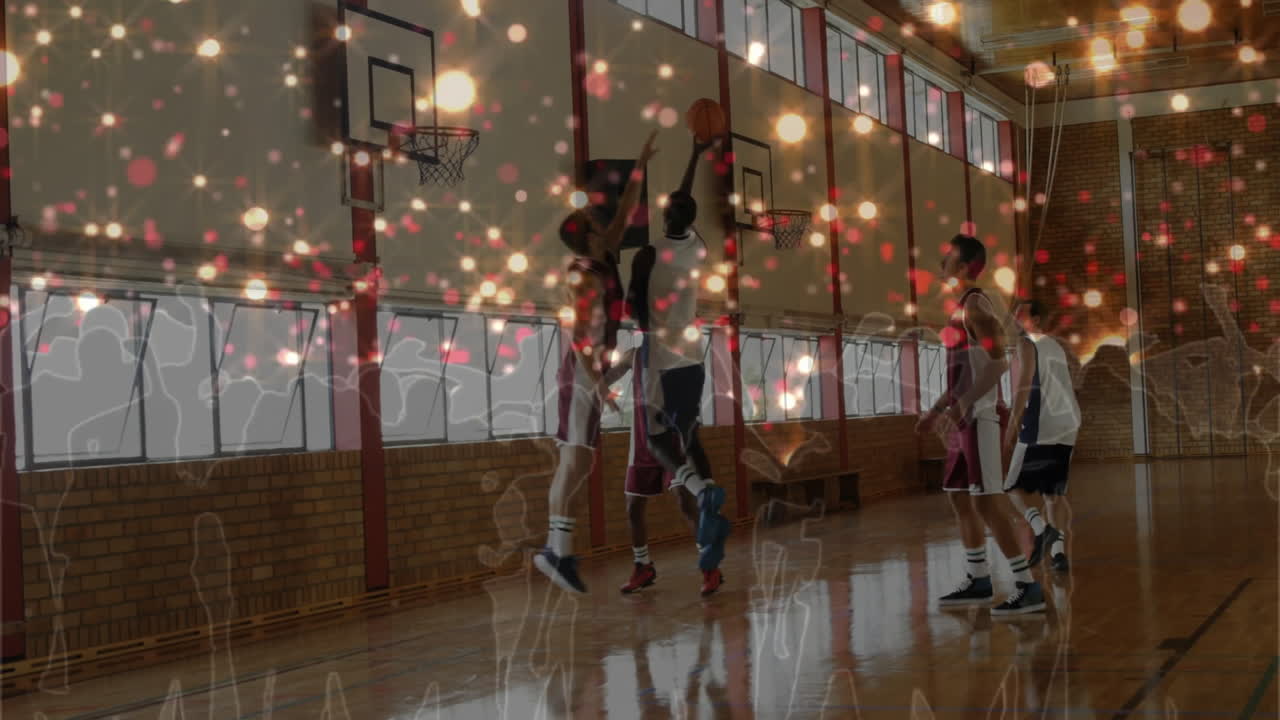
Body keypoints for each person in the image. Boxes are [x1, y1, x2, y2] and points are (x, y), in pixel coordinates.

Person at [534, 130, 659, 594]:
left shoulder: (604, 260)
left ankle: (557, 549)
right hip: (582, 371)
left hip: (594, 369)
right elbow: (578, 336)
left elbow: (626, 210)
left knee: (579, 462)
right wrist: (600, 383)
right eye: (596, 224)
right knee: (573, 461)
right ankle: (554, 552)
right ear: (586, 238)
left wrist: (640, 165)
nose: (609, 225)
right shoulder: (583, 276)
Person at [609, 136, 730, 597]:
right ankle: (650, 565)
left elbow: (634, 309)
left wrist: (636, 325)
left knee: (672, 473)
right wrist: (695, 155)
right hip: (689, 352)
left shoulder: (646, 255)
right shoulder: (695, 245)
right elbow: (683, 206)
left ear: (664, 215)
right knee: (640, 496)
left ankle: (706, 555)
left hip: (660, 353)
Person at [915, 234, 1045, 616]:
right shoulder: (959, 308)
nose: (942, 259)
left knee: (988, 504)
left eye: (948, 254)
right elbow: (960, 374)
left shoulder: (975, 306)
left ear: (963, 265)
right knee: (958, 496)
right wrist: (939, 408)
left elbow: (1000, 363)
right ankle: (979, 579)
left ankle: (1027, 586)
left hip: (981, 418)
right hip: (962, 419)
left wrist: (966, 404)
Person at [1003, 299, 1080, 572]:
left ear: (1035, 319)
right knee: (1052, 495)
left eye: (1021, 314)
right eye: (1014, 314)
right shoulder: (1055, 345)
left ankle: (1042, 529)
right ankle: (1059, 555)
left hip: (1042, 425)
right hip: (1068, 424)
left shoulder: (1026, 344)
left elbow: (1023, 388)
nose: (1014, 318)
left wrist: (1012, 427)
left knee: (1011, 487)